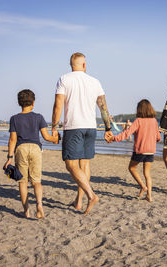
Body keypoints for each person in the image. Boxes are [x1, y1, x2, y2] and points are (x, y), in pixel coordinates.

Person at [51, 52, 113, 215]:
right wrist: (108, 128)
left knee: (70, 164)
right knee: (84, 165)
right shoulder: (95, 81)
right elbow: (103, 107)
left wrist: (54, 127)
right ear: (84, 65)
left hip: (73, 127)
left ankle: (91, 195)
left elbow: (58, 104)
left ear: (71, 65)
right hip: (90, 127)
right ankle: (78, 202)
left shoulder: (64, 79)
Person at [3, 89, 58, 218]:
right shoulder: (39, 117)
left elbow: (12, 139)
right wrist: (57, 139)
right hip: (35, 149)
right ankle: (39, 204)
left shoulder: (14, 119)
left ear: (19, 103)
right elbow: (46, 137)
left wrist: (9, 158)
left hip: (21, 149)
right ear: (33, 102)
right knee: (36, 181)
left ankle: (26, 211)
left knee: (22, 182)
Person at [107, 99, 161, 202]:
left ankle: (143, 187)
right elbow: (158, 137)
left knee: (132, 168)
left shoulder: (138, 121)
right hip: (151, 151)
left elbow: (127, 134)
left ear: (139, 109)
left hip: (140, 150)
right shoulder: (154, 121)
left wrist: (114, 138)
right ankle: (149, 195)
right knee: (147, 173)